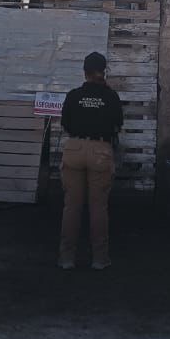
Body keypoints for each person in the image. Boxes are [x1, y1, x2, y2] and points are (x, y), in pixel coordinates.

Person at [57, 52, 124, 270]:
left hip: (74, 148)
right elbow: (118, 124)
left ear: (84, 72)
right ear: (104, 71)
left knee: (71, 207)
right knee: (98, 208)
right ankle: (99, 259)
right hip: (100, 151)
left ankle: (66, 258)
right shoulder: (111, 96)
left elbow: (65, 123)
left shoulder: (74, 95)